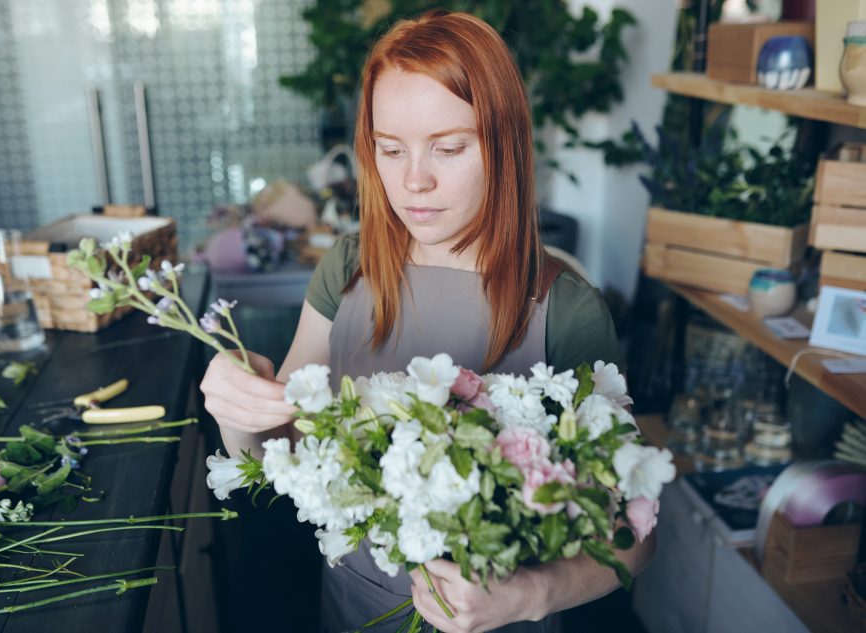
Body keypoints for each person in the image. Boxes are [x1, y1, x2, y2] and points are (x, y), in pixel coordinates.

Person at [201, 10, 654, 633]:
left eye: (449, 147)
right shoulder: (349, 268)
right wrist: (240, 414)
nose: (414, 180)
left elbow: (633, 531)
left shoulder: (567, 310)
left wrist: (528, 595)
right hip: (353, 609)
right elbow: (286, 462)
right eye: (390, 150)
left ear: (502, 143)